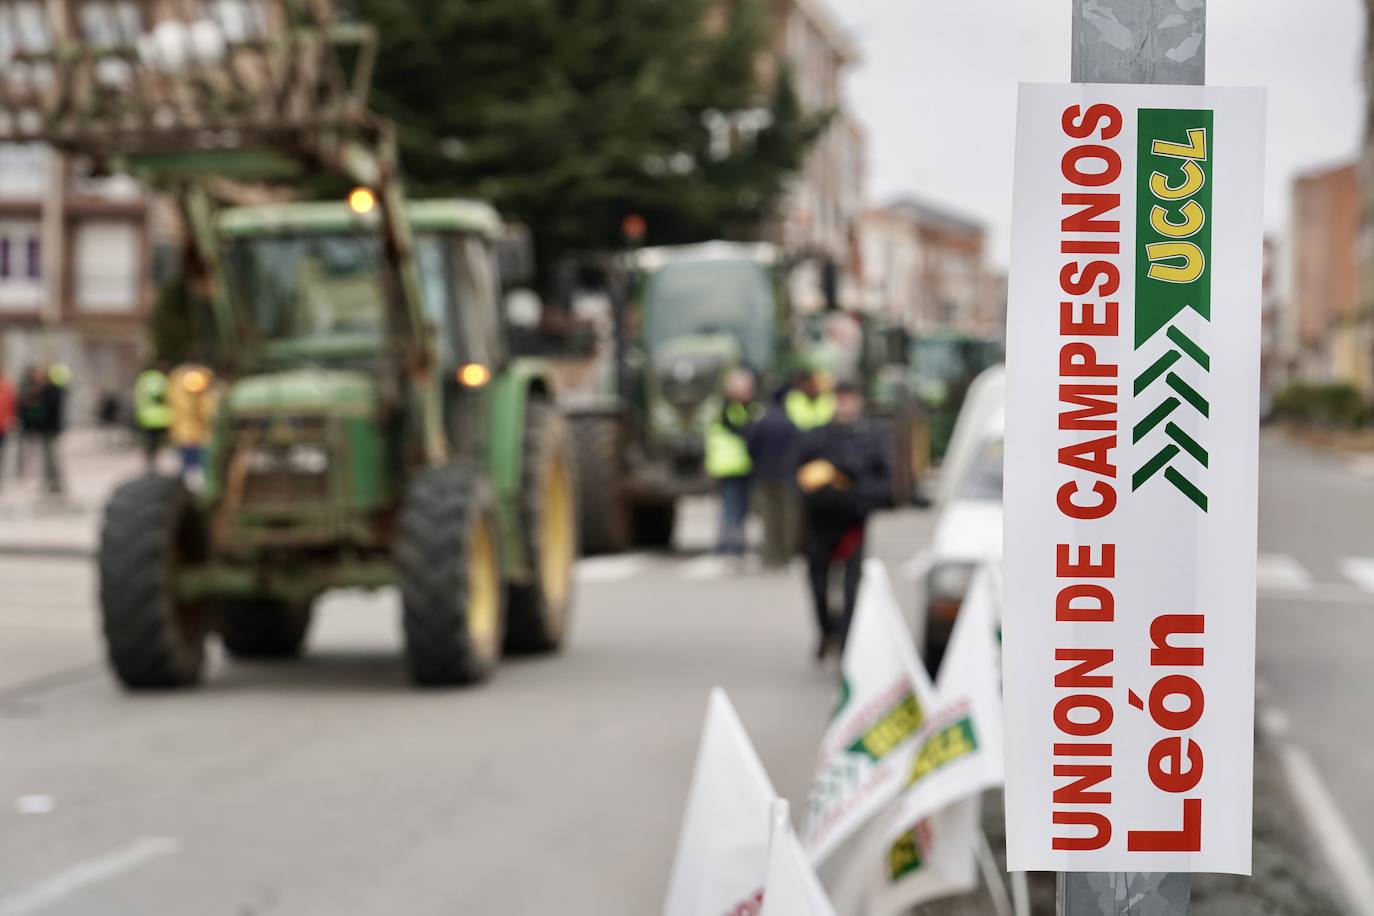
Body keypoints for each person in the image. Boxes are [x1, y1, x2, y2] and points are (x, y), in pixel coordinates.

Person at [797, 380, 891, 659]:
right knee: (818, 585)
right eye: (840, 399)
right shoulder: (816, 437)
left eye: (850, 399)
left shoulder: (873, 437)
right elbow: (800, 477)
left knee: (852, 588)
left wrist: (856, 492)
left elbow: (885, 484)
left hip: (853, 525)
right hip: (819, 524)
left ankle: (848, 643)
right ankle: (827, 631)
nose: (845, 405)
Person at [705, 369, 760, 556]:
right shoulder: (727, 409)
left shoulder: (750, 408)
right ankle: (728, 543)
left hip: (745, 466)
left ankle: (736, 541)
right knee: (730, 507)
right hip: (729, 466)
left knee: (742, 508)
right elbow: (743, 430)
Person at [748, 384, 802, 568]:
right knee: (787, 519)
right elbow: (798, 448)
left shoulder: (762, 421)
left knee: (768, 519)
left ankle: (770, 556)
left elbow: (751, 446)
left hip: (764, 476)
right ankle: (786, 556)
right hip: (786, 476)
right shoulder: (789, 422)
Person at [167, 362, 217, 484]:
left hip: (184, 433)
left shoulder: (176, 382)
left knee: (189, 466)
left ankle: (185, 488)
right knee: (197, 467)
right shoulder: (194, 382)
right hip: (195, 434)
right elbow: (203, 411)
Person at [30, 363, 69, 496]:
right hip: (46, 429)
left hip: (50, 428)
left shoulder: (52, 390)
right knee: (47, 458)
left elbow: (50, 410)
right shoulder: (47, 390)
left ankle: (55, 483)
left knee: (51, 457)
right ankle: (49, 482)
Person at [134, 362, 172, 472]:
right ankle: (158, 463)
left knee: (149, 442)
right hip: (161, 417)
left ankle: (150, 463)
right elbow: (168, 396)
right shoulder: (162, 379)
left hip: (146, 416)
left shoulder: (142, 379)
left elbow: (138, 397)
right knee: (160, 442)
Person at [0, 371, 15, 489]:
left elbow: (12, 405)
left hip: (2, 427)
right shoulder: (6, 386)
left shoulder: (6, 387)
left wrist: (11, 420)